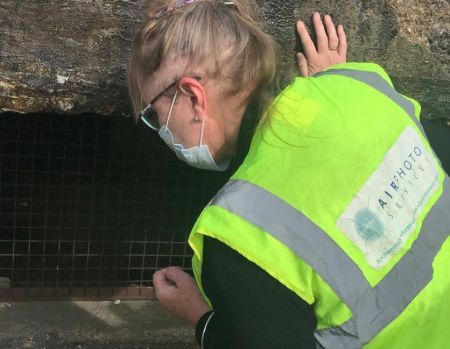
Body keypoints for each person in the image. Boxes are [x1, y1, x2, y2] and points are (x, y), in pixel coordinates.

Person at [127, 1, 450, 348]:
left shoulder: (236, 241)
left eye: (154, 114)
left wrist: (203, 320)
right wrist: (333, 86)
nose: (159, 129)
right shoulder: (360, 83)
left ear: (193, 96)